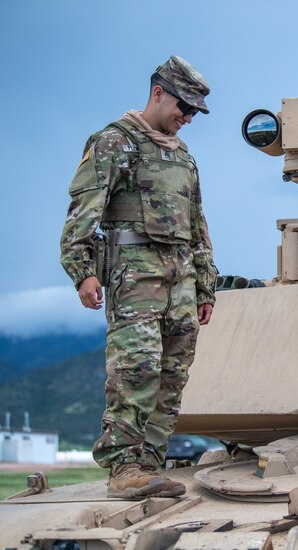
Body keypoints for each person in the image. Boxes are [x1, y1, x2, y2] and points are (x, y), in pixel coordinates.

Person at [60, 55, 218, 499]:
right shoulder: (114, 142)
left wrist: (205, 283)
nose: (187, 118)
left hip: (181, 277)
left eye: (193, 112)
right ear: (158, 93)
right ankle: (123, 466)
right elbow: (82, 213)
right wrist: (82, 272)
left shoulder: (182, 155)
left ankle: (148, 466)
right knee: (137, 367)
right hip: (135, 275)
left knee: (172, 372)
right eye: (183, 107)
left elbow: (197, 222)